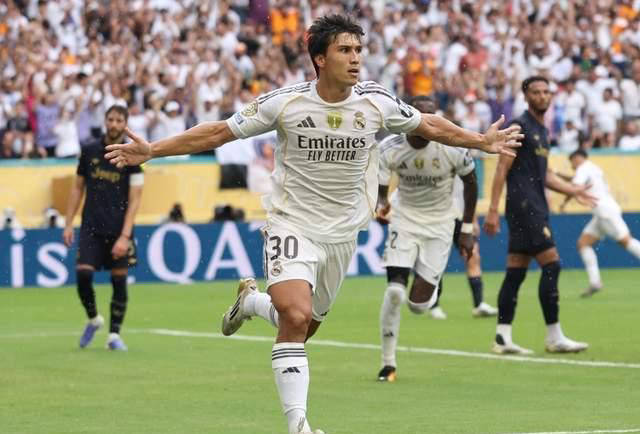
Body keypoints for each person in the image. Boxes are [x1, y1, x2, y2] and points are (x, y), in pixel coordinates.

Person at [105, 15, 521, 434]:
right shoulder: (285, 103)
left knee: (305, 326)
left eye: (358, 50)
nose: (355, 58)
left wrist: (480, 141)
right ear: (320, 58)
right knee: (296, 314)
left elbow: (427, 124)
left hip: (342, 233)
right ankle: (298, 426)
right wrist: (153, 149)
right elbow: (219, 133)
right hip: (292, 224)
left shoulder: (376, 101)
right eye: (345, 50)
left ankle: (251, 303)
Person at [374, 95, 488, 382]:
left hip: (441, 224)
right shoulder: (389, 148)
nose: (430, 123)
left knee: (418, 306)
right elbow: (382, 190)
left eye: (433, 117)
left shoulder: (452, 147)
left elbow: (471, 183)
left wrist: (466, 230)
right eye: (422, 117)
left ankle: (431, 288)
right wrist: (381, 205)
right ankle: (388, 363)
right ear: (409, 117)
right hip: (404, 219)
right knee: (395, 292)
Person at [484, 76, 595, 355]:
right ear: (526, 96)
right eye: (536, 92)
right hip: (525, 207)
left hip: (533, 206)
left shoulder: (542, 131)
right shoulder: (518, 126)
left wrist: (573, 190)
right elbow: (502, 168)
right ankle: (554, 336)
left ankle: (502, 337)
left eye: (546, 92)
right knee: (552, 265)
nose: (542, 96)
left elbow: (545, 175)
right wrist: (493, 210)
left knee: (516, 271)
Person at [63, 105, 144, 351]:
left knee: (119, 281)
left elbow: (135, 200)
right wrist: (68, 223)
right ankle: (93, 318)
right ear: (105, 121)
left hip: (119, 230)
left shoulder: (132, 156)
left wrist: (125, 236)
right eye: (111, 119)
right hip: (91, 228)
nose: (114, 124)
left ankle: (114, 336)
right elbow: (77, 187)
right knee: (83, 275)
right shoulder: (89, 151)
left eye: (119, 120)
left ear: (125, 124)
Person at [560, 149, 640, 297]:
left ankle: (595, 282)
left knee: (626, 241)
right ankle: (595, 282)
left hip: (605, 212)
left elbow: (574, 188)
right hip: (603, 212)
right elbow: (574, 181)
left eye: (572, 162)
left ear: (577, 158)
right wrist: (559, 176)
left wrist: (564, 203)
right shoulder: (593, 168)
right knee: (583, 244)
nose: (572, 166)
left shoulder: (582, 168)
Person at [427, 174, 498, 321]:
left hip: (461, 217)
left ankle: (479, 304)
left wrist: (473, 220)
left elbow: (470, 192)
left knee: (473, 257)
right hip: (438, 218)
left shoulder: (464, 163)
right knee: (436, 262)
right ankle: (434, 305)